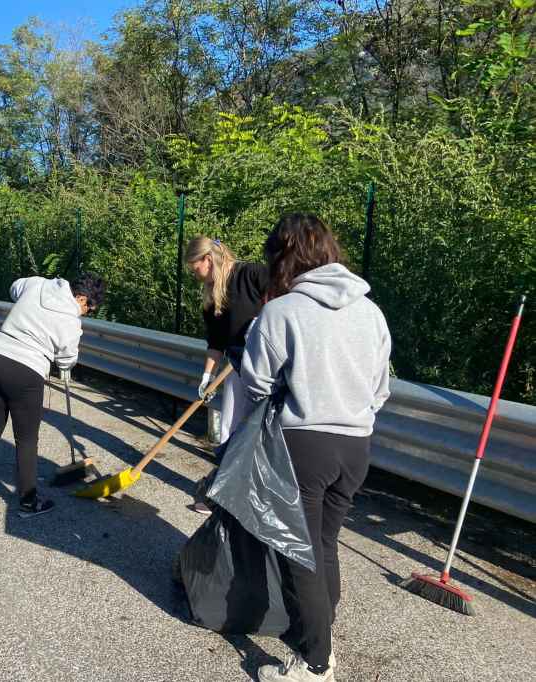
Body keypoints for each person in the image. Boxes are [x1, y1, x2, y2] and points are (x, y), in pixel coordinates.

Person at [240, 214, 391, 682]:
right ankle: (318, 628)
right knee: (325, 544)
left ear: (284, 257)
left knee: (298, 551)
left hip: (305, 443)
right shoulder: (371, 312)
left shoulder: (282, 311)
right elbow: (381, 388)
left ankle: (316, 663)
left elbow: (255, 381)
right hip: (356, 445)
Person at [0, 273, 105, 519]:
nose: (87, 312)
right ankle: (28, 501)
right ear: (82, 298)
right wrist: (64, 364)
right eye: (89, 308)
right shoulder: (71, 322)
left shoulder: (38, 283)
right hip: (27, 371)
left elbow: (13, 287)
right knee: (26, 439)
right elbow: (67, 359)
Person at [185, 236, 268, 513]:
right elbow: (215, 343)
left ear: (207, 260)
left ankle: (254, 498)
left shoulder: (251, 274)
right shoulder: (211, 298)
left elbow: (285, 299)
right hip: (235, 366)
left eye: (194, 267)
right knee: (229, 431)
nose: (194, 274)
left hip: (267, 369)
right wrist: (207, 377)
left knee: (260, 434)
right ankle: (222, 495)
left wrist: (263, 322)